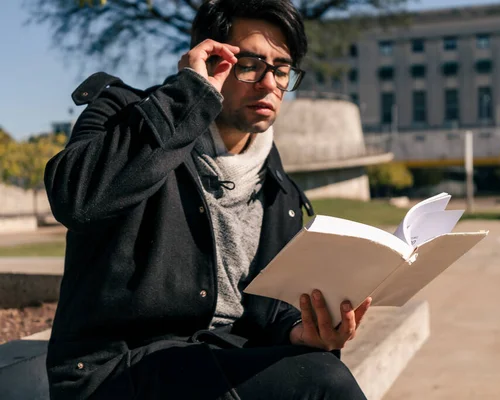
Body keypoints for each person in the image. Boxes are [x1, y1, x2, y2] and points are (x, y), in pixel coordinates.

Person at [43, 0, 371, 399]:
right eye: (250, 64)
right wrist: (187, 98)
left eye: (282, 70)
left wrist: (299, 330)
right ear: (211, 58)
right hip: (119, 369)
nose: (269, 83)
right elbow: (76, 200)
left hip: (221, 358)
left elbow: (266, 306)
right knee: (324, 383)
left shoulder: (276, 182)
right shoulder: (124, 113)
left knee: (319, 367)